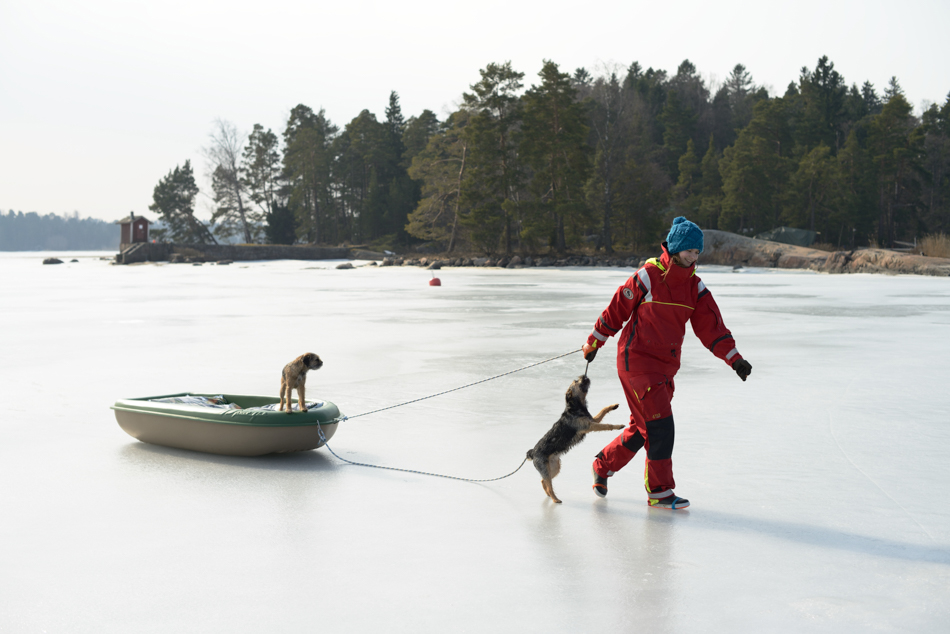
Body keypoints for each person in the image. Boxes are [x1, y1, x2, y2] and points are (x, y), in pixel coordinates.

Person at [582, 216, 752, 510]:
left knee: (644, 428)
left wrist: (735, 360)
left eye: (697, 252)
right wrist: (595, 340)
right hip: (635, 361)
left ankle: (603, 465)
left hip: (665, 367)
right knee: (661, 426)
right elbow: (617, 309)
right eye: (689, 251)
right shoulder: (648, 276)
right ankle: (659, 491)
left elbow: (712, 328)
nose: (693, 257)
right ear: (674, 249)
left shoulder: (695, 288)